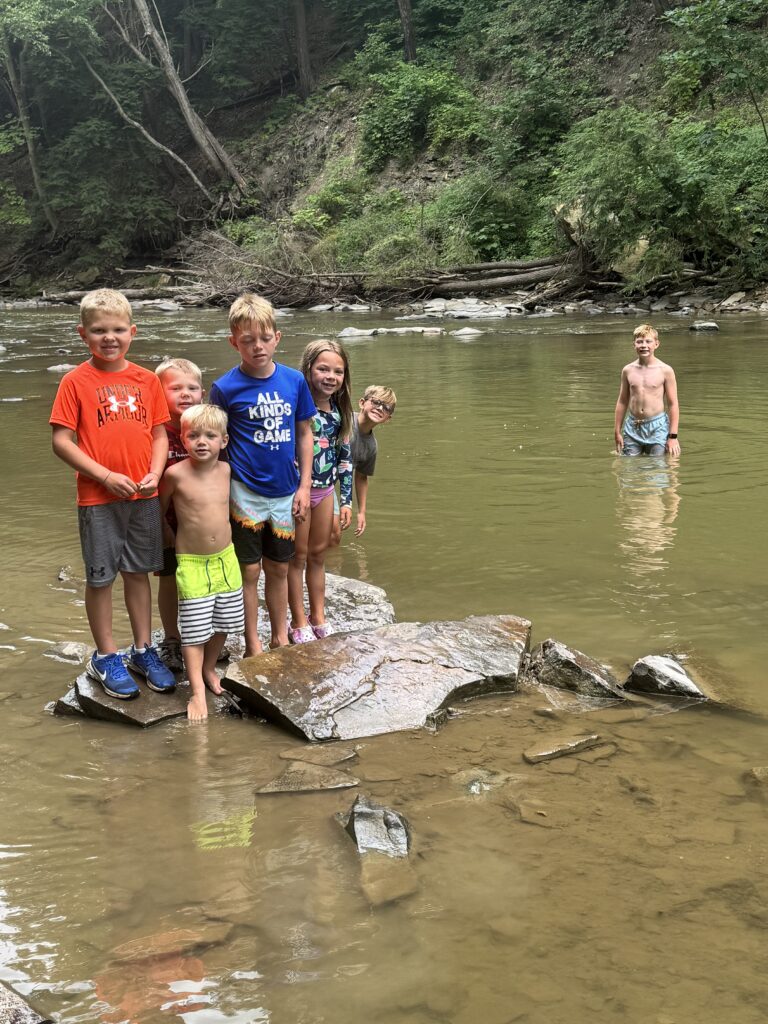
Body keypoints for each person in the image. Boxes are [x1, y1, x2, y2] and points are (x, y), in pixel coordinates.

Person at [49, 288, 177, 699]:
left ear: (132, 332)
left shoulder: (146, 380)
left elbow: (159, 433)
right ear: (82, 334)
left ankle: (142, 650)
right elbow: (62, 441)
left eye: (118, 329)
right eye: (99, 330)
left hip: (142, 495)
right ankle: (106, 655)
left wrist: (156, 473)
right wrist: (104, 475)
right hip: (98, 497)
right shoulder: (75, 381)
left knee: (138, 573)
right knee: (101, 577)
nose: (110, 337)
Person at [209, 293, 315, 655]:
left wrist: (305, 486)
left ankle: (280, 635)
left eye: (265, 338)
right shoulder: (225, 388)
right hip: (245, 493)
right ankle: (253, 640)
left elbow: (304, 432)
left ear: (277, 337)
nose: (258, 347)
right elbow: (218, 446)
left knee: (280, 568)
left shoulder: (294, 381)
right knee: (249, 572)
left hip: (286, 491)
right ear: (233, 342)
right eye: (248, 340)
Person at [159, 404, 244, 721]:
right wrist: (166, 529)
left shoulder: (226, 469)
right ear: (182, 439)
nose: (202, 442)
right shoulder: (175, 474)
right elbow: (160, 506)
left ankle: (209, 669)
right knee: (194, 631)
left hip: (226, 558)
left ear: (223, 440)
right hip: (192, 563)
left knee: (225, 621)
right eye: (193, 435)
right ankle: (196, 692)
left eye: (210, 436)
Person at [287, 340, 353, 643]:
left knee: (318, 555)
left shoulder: (340, 410)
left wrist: (346, 501)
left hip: (326, 491)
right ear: (308, 368)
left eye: (337, 371)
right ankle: (297, 620)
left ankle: (318, 615)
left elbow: (345, 457)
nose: (330, 376)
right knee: (297, 557)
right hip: (298, 491)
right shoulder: (296, 404)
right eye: (323, 368)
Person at [153, 358, 205, 671]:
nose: (185, 394)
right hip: (166, 521)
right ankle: (172, 639)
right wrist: (160, 524)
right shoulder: (155, 433)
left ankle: (198, 637)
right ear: (157, 393)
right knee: (170, 580)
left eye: (192, 388)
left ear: (203, 392)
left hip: (199, 522)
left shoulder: (206, 430)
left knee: (200, 580)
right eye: (175, 388)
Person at [614, 324, 681, 457]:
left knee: (657, 468)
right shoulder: (628, 370)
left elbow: (673, 404)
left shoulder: (665, 370)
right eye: (639, 342)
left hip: (657, 426)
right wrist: (617, 432)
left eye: (648, 341)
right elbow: (622, 401)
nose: (644, 345)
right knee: (628, 469)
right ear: (634, 345)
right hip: (633, 425)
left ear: (656, 344)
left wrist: (673, 437)